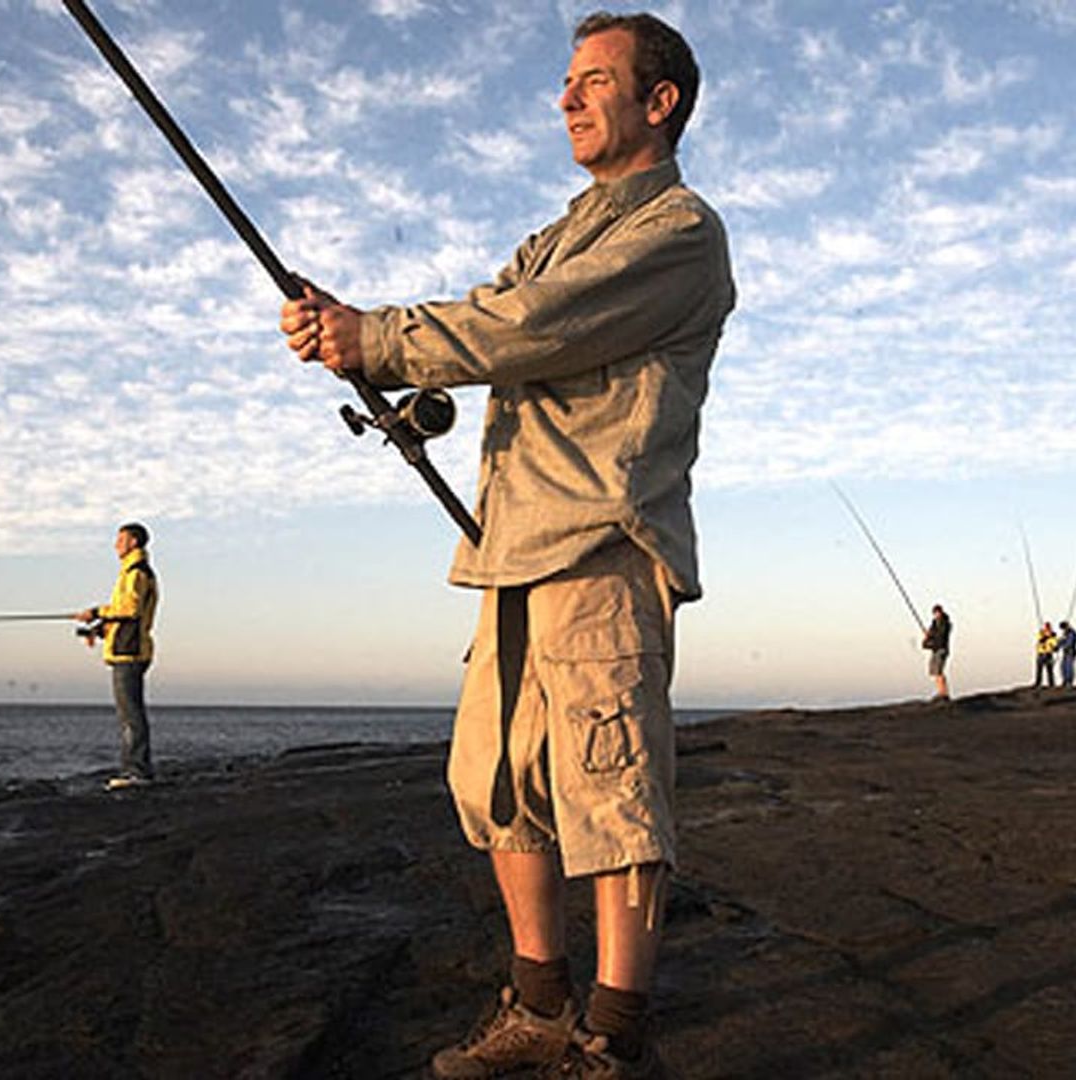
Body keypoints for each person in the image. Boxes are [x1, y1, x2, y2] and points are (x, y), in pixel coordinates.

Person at [279, 12, 731, 1077]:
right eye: (567, 82)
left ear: (658, 101)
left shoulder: (677, 233)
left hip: (604, 548)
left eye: (592, 81)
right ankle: (539, 1009)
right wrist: (396, 377)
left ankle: (614, 1041)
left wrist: (377, 338)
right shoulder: (556, 232)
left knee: (611, 794)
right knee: (496, 782)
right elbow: (501, 317)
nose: (566, 99)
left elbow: (533, 327)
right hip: (512, 546)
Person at [76, 522, 158, 790]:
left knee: (131, 715)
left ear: (134, 542)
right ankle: (134, 769)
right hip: (127, 648)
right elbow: (124, 616)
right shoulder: (130, 572)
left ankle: (137, 772)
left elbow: (130, 609)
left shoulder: (136, 572)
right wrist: (99, 629)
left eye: (120, 539)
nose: (116, 544)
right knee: (128, 714)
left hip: (130, 651)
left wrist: (96, 611)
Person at [923, 603, 952, 701]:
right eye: (935, 613)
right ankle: (941, 692)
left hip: (941, 649)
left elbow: (940, 637)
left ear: (941, 612)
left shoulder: (945, 623)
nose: (936, 614)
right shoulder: (935, 623)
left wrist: (930, 639)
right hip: (935, 650)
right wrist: (927, 638)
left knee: (939, 671)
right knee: (934, 671)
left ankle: (944, 693)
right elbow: (931, 635)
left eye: (938, 612)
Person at [1033, 621, 1058, 689]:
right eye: (1046, 626)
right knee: (1039, 670)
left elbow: (1055, 644)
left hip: (1048, 654)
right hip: (1041, 653)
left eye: (1048, 626)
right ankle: (1038, 684)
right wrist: (1046, 636)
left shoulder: (1053, 635)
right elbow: (1040, 640)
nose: (1047, 628)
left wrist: (1055, 647)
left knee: (1049, 670)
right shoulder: (1041, 633)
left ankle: (1051, 684)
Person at [1057, 619, 1076, 687]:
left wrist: (1062, 645)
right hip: (1066, 652)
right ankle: (1065, 680)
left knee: (1069, 667)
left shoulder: (1072, 633)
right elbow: (1061, 641)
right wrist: (1057, 646)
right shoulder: (1066, 633)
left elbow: (1069, 643)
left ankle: (1069, 682)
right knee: (1063, 666)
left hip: (1070, 651)